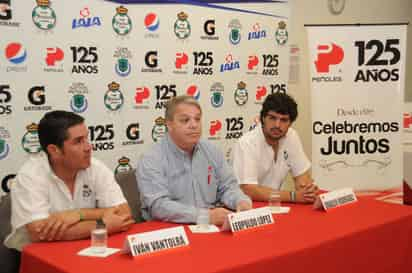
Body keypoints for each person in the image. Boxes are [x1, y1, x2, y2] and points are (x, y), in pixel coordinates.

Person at [5, 110, 134, 251]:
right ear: (54, 150)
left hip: (86, 248)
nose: (88, 147)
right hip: (39, 256)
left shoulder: (95, 167)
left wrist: (79, 214)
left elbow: (124, 214)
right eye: (78, 141)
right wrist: (102, 224)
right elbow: (39, 232)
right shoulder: (30, 175)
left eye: (86, 138)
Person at [136, 95, 252, 226]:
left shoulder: (211, 150)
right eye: (185, 120)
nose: (194, 125)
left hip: (209, 227)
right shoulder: (152, 158)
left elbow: (228, 187)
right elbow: (158, 206)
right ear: (169, 124)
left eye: (197, 119)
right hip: (171, 231)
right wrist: (204, 216)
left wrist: (241, 201)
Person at [233, 93, 318, 204]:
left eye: (283, 120)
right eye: (272, 118)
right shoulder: (247, 143)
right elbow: (248, 189)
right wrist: (293, 196)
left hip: (275, 204)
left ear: (290, 123)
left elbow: (303, 177)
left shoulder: (291, 136)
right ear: (263, 118)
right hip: (248, 207)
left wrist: (307, 190)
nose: (277, 125)